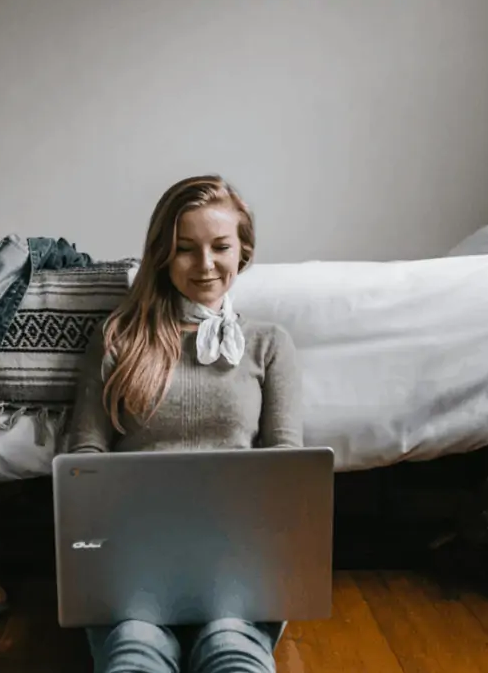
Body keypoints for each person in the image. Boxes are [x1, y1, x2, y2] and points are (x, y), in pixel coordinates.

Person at [64, 174, 304, 672]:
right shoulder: (116, 341)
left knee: (231, 651)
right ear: (162, 256)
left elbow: (289, 471)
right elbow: (84, 460)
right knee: (135, 652)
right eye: (185, 249)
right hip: (133, 566)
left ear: (244, 251)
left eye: (220, 246)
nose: (206, 264)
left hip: (238, 566)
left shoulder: (269, 344)